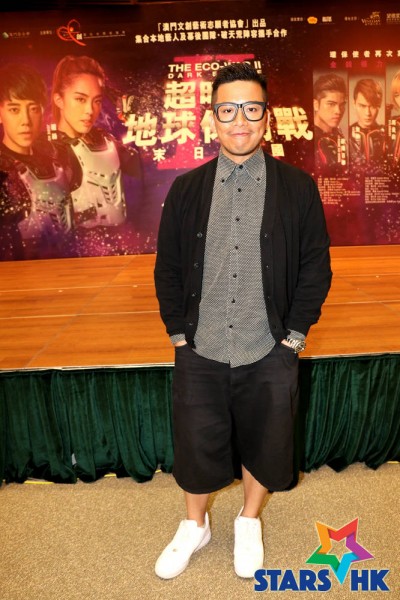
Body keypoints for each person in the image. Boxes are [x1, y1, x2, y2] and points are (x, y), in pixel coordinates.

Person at [154, 63, 332, 580]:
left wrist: (294, 336)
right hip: (201, 343)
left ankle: (249, 520)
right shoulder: (186, 189)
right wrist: (178, 332)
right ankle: (195, 525)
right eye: (228, 109)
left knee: (266, 437)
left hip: (268, 344)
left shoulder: (297, 188)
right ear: (212, 118)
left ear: (266, 117)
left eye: (251, 109)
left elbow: (315, 266)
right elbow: (167, 266)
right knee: (195, 441)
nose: (240, 120)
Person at [50, 55, 141, 256]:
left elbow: (149, 173)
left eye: (97, 101)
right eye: (80, 99)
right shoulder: (48, 152)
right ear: (59, 99)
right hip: (73, 258)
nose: (89, 110)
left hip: (122, 251)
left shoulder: (107, 141)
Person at [0, 62, 73, 260]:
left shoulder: (55, 162)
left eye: (33, 109)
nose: (25, 120)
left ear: (42, 111)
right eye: (14, 110)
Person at [313, 73, 347, 172]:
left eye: (342, 105)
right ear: (316, 105)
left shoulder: (338, 135)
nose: (338, 111)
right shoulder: (308, 139)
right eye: (331, 104)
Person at [349, 78, 385, 168]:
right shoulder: (345, 135)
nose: (367, 113)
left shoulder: (387, 135)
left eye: (372, 106)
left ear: (379, 105)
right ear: (354, 104)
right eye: (362, 106)